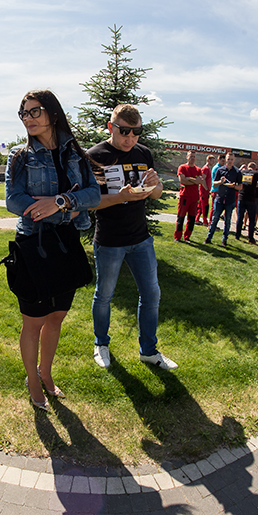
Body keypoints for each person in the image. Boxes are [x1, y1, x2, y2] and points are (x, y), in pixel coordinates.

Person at [5, 89, 101, 410]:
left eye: (35, 112)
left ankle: (46, 373)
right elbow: (13, 200)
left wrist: (61, 202)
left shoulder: (75, 153)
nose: (28, 119)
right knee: (33, 320)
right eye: (24, 114)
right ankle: (32, 379)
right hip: (33, 246)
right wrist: (51, 208)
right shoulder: (19, 157)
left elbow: (93, 195)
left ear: (53, 113)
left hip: (66, 244)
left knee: (57, 316)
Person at [88, 104, 177, 371]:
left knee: (151, 294)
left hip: (141, 239)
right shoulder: (96, 155)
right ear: (110, 127)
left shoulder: (144, 153)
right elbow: (91, 202)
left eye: (136, 132)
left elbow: (157, 193)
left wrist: (154, 184)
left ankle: (149, 352)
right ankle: (100, 344)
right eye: (124, 131)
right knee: (104, 295)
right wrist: (121, 197)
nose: (130, 138)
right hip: (109, 240)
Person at [204, 154, 242, 247]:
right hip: (220, 199)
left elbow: (240, 187)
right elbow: (214, 183)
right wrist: (220, 182)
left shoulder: (237, 172)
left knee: (227, 221)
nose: (230, 161)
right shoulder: (220, 170)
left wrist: (233, 186)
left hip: (230, 200)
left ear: (234, 160)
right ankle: (209, 238)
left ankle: (224, 240)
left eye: (232, 159)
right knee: (215, 219)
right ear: (226, 159)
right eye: (228, 159)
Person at [175, 150, 204, 243]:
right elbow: (182, 180)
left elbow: (200, 181)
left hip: (195, 198)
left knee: (191, 218)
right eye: (191, 156)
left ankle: (187, 237)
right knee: (181, 217)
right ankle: (177, 237)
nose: (192, 158)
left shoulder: (198, 169)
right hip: (185, 196)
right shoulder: (182, 167)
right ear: (187, 157)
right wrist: (194, 180)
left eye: (194, 156)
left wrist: (189, 179)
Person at [235, 162, 258, 243]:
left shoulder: (242, 173)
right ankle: (250, 238)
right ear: (255, 168)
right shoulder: (256, 174)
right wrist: (256, 184)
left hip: (241, 197)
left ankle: (237, 235)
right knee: (252, 220)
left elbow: (236, 181)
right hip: (251, 199)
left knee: (240, 218)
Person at [197, 154, 217, 225]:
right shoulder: (205, 168)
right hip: (203, 191)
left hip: (205, 190)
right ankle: (205, 221)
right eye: (212, 161)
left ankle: (197, 219)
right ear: (208, 160)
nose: (213, 162)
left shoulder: (208, 168)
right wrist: (206, 188)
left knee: (200, 205)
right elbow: (202, 179)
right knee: (205, 206)